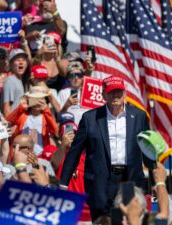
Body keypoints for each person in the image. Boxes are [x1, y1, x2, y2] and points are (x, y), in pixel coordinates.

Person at [60, 76, 150, 220]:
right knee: (103, 222)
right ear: (103, 95)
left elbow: (148, 151)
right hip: (100, 182)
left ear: (125, 93)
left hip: (129, 180)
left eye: (118, 92)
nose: (115, 96)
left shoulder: (139, 116)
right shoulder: (90, 118)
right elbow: (74, 152)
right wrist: (63, 183)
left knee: (129, 220)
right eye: (111, 92)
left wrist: (156, 182)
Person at [7, 86, 58, 156]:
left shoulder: (46, 116)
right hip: (21, 154)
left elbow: (55, 131)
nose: (37, 101)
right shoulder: (22, 114)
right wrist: (21, 108)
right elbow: (8, 122)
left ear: (45, 100)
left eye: (40, 98)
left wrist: (46, 110)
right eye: (34, 98)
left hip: (41, 154)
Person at [1, 48, 28, 117]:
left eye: (23, 60)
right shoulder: (10, 81)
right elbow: (6, 109)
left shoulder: (18, 79)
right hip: (14, 125)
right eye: (17, 60)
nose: (21, 62)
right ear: (10, 64)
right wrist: (13, 126)